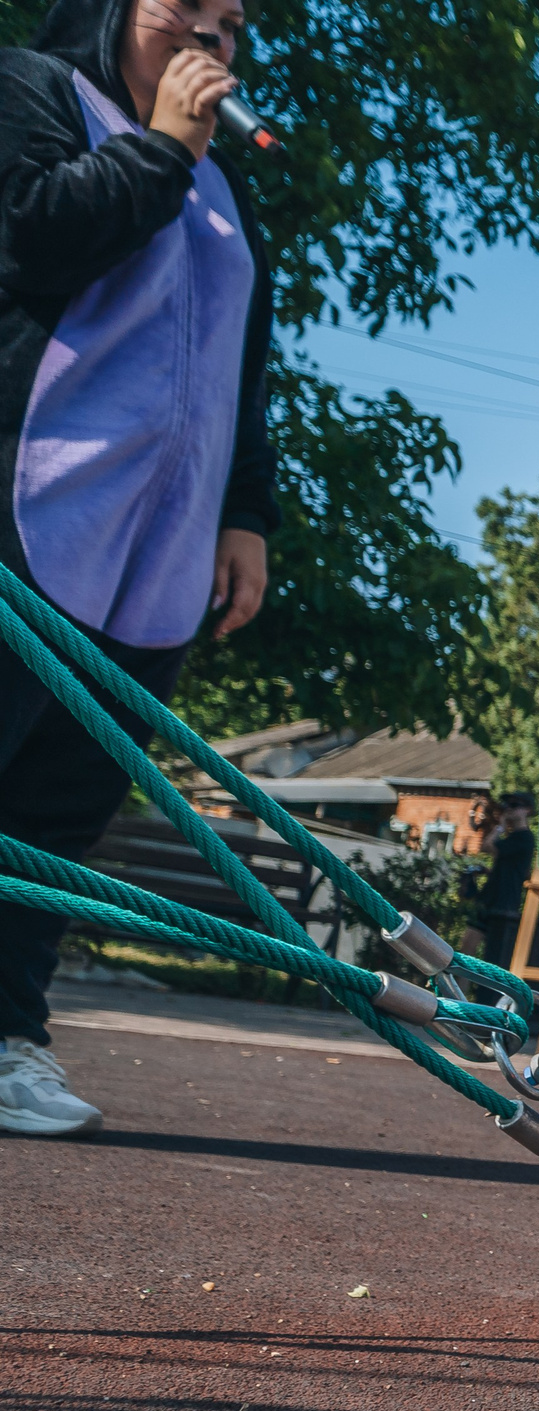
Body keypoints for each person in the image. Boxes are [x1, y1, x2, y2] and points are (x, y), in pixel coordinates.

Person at [0, 0, 274, 1136]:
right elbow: (33, 238)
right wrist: (160, 146)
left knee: (64, 808)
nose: (208, 39)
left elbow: (245, 355)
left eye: (231, 22)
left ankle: (10, 1038)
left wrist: (246, 513)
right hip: (34, 505)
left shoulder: (227, 180)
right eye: (183, 11)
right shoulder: (32, 89)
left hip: (155, 548)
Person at [462, 793, 536, 959]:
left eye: (515, 805)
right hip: (489, 899)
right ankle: (462, 984)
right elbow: (508, 866)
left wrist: (500, 826)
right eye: (507, 805)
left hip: (503, 903)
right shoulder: (512, 838)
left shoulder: (524, 838)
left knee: (493, 956)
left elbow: (488, 846)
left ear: (527, 810)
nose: (509, 809)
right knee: (467, 951)